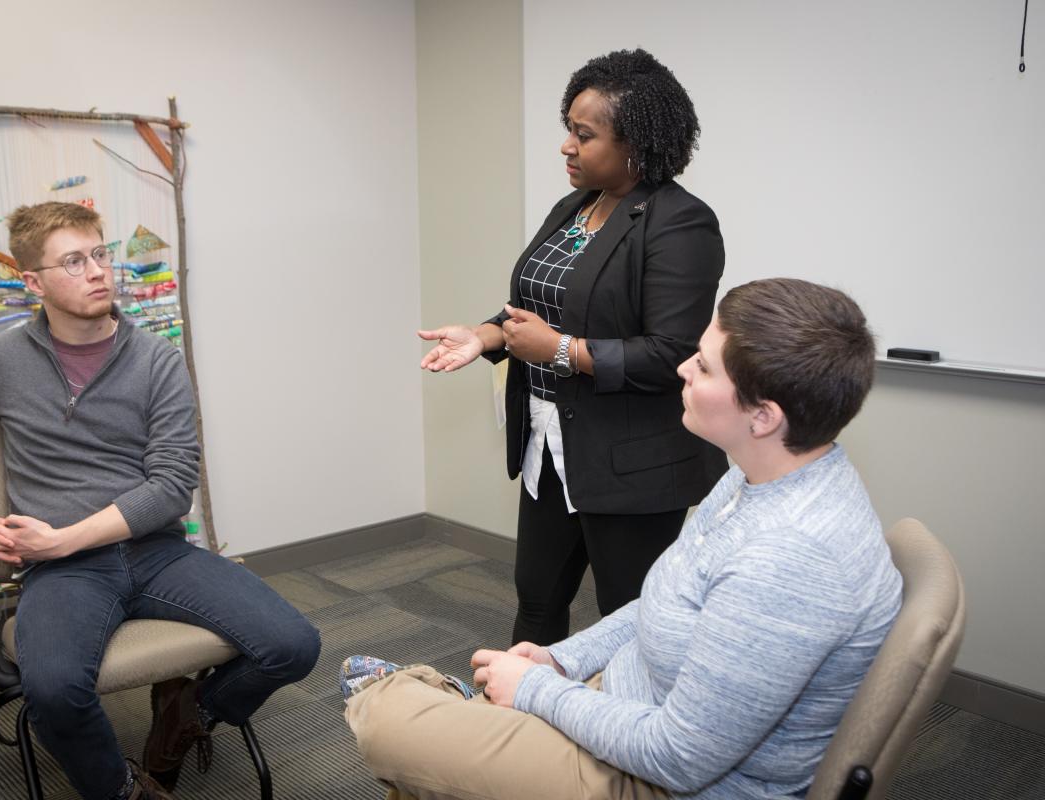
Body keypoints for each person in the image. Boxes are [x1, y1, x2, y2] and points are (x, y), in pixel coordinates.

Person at [344, 278, 904, 800]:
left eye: (704, 368)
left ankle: (434, 700)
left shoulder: (789, 560)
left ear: (762, 416)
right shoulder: (757, 475)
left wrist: (536, 691)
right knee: (437, 732)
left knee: (384, 718)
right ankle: (458, 711)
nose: (683, 369)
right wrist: (558, 662)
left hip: (662, 779)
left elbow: (680, 757)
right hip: (625, 702)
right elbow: (664, 599)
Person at [0, 202, 321, 800]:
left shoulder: (157, 360)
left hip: (154, 553)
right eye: (74, 261)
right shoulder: (1, 360)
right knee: (55, 691)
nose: (98, 272)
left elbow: (170, 487)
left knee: (293, 646)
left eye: (101, 254)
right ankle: (123, 789)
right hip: (64, 572)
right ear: (33, 281)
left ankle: (184, 716)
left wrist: (63, 536)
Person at [419, 49, 727, 645]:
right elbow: (546, 306)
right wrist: (484, 335)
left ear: (635, 142)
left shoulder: (681, 223)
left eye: (584, 135)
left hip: (631, 462)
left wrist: (558, 351)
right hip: (550, 444)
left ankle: (617, 738)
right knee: (537, 601)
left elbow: (670, 354)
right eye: (568, 129)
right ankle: (526, 727)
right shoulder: (576, 207)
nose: (567, 146)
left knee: (627, 623)